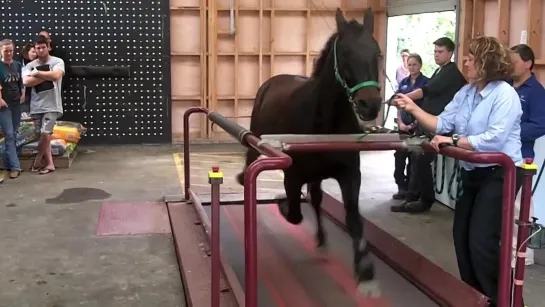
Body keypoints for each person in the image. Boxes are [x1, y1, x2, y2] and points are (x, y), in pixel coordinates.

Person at [394, 36, 523, 307]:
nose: (465, 61)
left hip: (500, 174)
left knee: (481, 242)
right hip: (473, 172)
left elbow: (494, 139)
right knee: (461, 239)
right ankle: (478, 298)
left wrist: (453, 141)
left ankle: (505, 301)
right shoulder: (466, 93)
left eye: (471, 57)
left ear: (487, 62)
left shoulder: (504, 95)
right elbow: (442, 122)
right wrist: (413, 107)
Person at [390, 37, 467, 213]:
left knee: (421, 160)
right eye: (435, 52)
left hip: (440, 126)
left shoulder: (450, 73)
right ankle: (413, 196)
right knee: (414, 159)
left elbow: (426, 90)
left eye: (440, 52)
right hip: (429, 124)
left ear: (450, 53)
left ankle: (423, 199)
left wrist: (405, 98)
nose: (436, 55)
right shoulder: (440, 72)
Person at [509, 44, 545, 267]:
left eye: (514, 62)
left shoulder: (536, 92)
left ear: (528, 63)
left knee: (519, 205)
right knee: (502, 202)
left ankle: (520, 253)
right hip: (500, 153)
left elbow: (540, 125)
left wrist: (511, 132)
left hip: (522, 155)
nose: (509, 66)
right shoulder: (505, 87)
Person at [22, 35, 65, 175]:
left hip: (52, 105)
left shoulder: (57, 61)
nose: (40, 50)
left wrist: (37, 73)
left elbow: (57, 76)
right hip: (36, 106)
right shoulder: (29, 65)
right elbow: (27, 82)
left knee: (45, 134)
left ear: (48, 47)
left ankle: (37, 160)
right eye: (37, 48)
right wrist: (47, 75)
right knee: (42, 135)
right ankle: (50, 164)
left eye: (43, 47)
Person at [392, 53, 429, 199]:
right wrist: (400, 123)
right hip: (403, 128)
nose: (412, 67)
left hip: (418, 127)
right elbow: (398, 105)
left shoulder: (426, 83)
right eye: (410, 64)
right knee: (399, 158)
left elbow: (426, 108)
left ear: (420, 65)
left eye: (415, 64)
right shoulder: (403, 82)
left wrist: (415, 123)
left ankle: (412, 192)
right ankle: (402, 187)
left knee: (414, 161)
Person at [0, 39, 25, 180]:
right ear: (1, 51)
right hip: (4, 106)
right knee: (9, 134)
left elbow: (20, 81)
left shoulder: (16, 64)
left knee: (14, 134)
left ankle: (7, 162)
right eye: (6, 51)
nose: (9, 53)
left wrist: (22, 92)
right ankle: (15, 167)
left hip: (16, 104)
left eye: (11, 50)